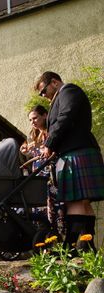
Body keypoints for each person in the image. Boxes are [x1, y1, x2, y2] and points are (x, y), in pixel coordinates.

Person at [35, 71, 104, 249]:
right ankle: (86, 247)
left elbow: (66, 117)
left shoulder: (68, 91)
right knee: (82, 203)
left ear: (55, 82)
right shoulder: (62, 95)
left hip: (76, 153)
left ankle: (74, 246)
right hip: (76, 151)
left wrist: (49, 143)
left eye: (44, 91)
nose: (44, 96)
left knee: (75, 202)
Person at [20, 105, 66, 237]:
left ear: (45, 115)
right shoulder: (34, 136)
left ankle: (59, 239)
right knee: (41, 208)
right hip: (38, 177)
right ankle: (45, 240)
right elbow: (27, 153)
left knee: (56, 207)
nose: (32, 122)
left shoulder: (52, 132)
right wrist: (24, 150)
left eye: (34, 118)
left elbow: (53, 152)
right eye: (30, 120)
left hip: (52, 175)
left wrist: (39, 149)